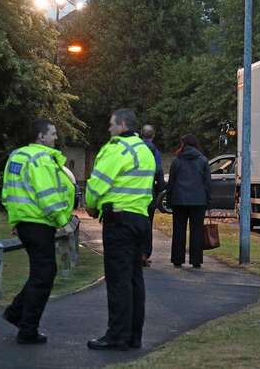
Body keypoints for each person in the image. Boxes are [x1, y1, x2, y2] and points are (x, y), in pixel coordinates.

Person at [85, 109, 155, 351]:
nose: (108, 129)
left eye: (111, 124)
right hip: (140, 221)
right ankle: (134, 335)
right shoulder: (145, 151)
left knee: (118, 281)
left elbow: (97, 184)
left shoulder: (116, 149)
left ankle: (117, 336)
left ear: (122, 124)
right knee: (135, 279)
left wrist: (90, 207)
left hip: (119, 222)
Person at [1, 119, 75, 345]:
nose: (55, 137)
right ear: (40, 137)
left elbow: (8, 191)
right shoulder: (41, 159)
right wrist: (64, 222)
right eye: (52, 134)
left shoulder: (17, 156)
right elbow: (47, 195)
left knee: (41, 273)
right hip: (39, 223)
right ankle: (27, 329)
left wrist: (16, 219)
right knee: (44, 274)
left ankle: (17, 313)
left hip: (25, 222)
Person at [167, 134, 211, 268]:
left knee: (179, 231)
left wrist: (169, 199)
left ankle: (177, 259)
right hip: (198, 201)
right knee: (196, 231)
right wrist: (208, 200)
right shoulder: (203, 160)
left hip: (179, 200)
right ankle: (196, 260)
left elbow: (171, 182)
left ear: (183, 145)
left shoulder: (177, 161)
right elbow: (207, 183)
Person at [140, 124, 165, 267]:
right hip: (148, 193)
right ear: (153, 135)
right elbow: (158, 171)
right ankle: (144, 253)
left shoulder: (134, 149)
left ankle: (134, 253)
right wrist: (161, 190)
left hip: (132, 196)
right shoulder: (154, 151)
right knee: (147, 225)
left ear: (141, 134)